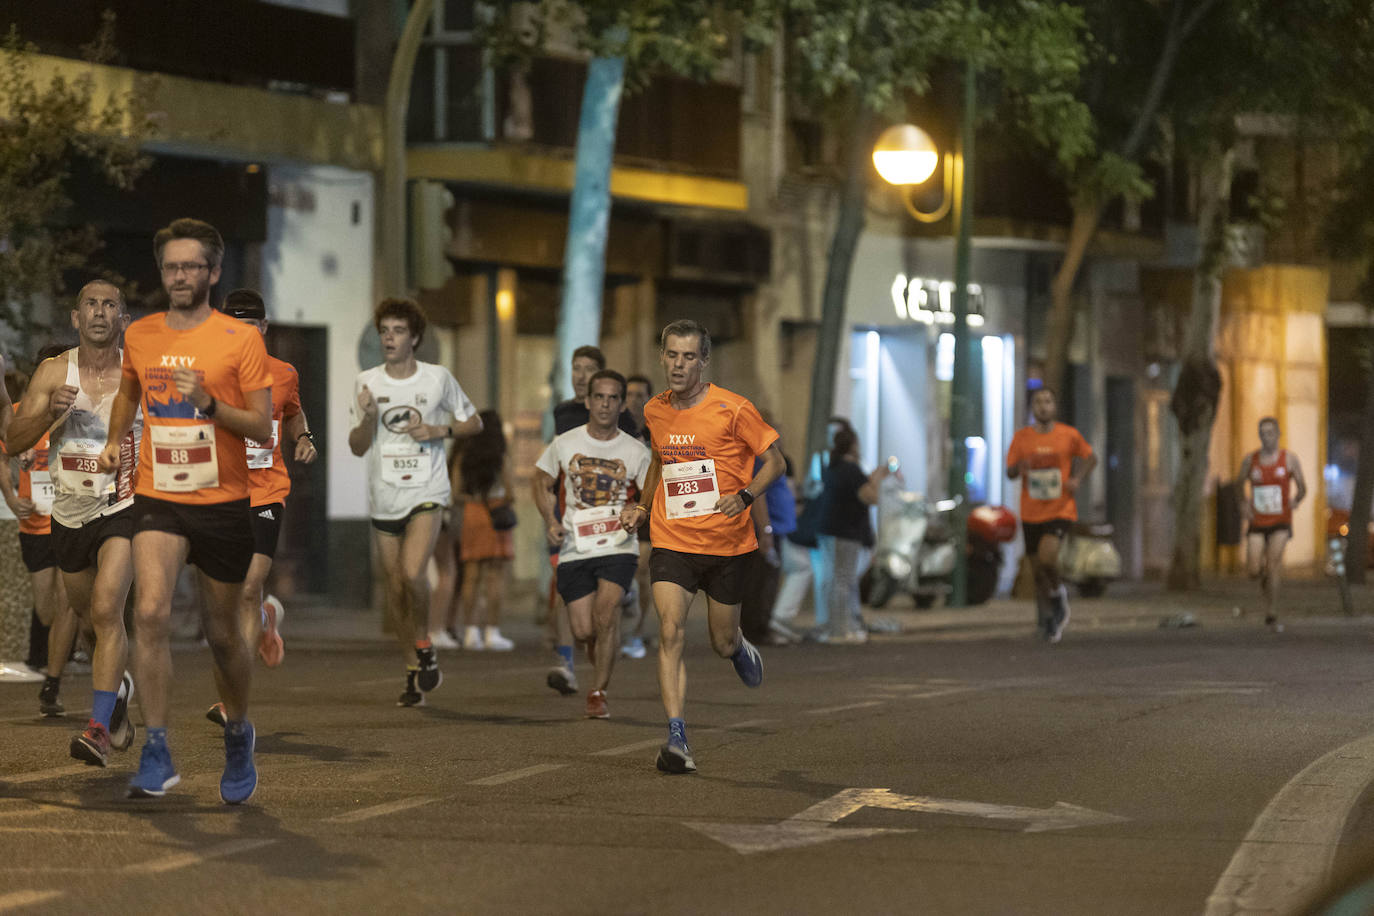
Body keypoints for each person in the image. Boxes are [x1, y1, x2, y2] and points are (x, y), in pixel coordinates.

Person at [98, 218, 275, 802]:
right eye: (171, 267)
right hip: (159, 497)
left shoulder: (239, 340)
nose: (180, 276)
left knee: (224, 636)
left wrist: (212, 405)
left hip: (224, 502)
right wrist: (113, 440)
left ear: (213, 272)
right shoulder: (142, 335)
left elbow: (261, 422)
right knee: (148, 613)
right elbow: (128, 391)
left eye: (191, 267)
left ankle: (237, 732)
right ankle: (156, 748)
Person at [620, 319, 784, 774]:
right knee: (670, 632)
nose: (678, 364)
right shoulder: (655, 410)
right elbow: (658, 459)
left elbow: (776, 461)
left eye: (689, 356)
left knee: (720, 639)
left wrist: (746, 496)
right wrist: (644, 504)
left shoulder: (734, 409)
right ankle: (676, 735)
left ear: (704, 361)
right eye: (672, 355)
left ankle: (738, 647)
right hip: (672, 539)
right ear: (662, 357)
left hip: (727, 544)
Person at [7, 284, 140, 764]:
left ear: (122, 317)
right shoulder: (52, 371)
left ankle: (98, 729)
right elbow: (12, 439)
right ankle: (118, 690)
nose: (100, 312)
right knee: (88, 622)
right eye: (91, 304)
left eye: (110, 305)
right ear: (75, 318)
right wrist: (47, 413)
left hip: (123, 506)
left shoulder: (136, 372)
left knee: (107, 611)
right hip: (68, 512)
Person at [350, 298, 481, 706]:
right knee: (395, 588)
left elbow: (474, 422)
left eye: (398, 330)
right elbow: (356, 447)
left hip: (427, 491)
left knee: (412, 573)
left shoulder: (437, 378)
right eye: (385, 330)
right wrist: (370, 419)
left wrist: (439, 430)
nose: (389, 337)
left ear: (415, 338)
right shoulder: (366, 382)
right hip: (384, 495)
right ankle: (413, 669)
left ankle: (425, 643)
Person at [204, 290, 318, 727]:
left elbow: (293, 412)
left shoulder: (283, 372)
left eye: (251, 327)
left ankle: (233, 703)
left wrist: (305, 437)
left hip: (266, 492)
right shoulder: (211, 372)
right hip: (220, 493)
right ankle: (268, 618)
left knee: (249, 589)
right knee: (227, 602)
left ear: (264, 330)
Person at [534, 370, 651, 719]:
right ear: (588, 401)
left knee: (606, 615)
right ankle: (600, 651)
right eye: (599, 397)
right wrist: (550, 521)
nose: (605, 404)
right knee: (585, 629)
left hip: (618, 546)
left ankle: (599, 691)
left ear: (620, 404)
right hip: (576, 546)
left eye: (613, 398)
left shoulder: (635, 450)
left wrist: (638, 511)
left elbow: (651, 495)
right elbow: (539, 482)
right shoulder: (565, 443)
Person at [9, 345, 81, 718]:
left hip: (71, 518)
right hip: (35, 524)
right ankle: (68, 651)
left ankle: (53, 681)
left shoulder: (82, 413)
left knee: (71, 600)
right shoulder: (23, 414)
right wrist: (10, 495)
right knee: (48, 608)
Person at [1006, 385, 1096, 643]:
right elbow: (1009, 472)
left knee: (1047, 558)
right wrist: (1018, 467)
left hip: (1060, 508)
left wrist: (1077, 478)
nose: (1043, 406)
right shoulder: (1022, 438)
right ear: (1032, 408)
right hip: (1031, 510)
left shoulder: (1068, 435)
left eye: (1047, 402)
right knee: (1037, 570)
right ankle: (1048, 619)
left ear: (1054, 407)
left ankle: (1058, 595)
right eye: (1038, 402)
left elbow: (1091, 457)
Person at [816, 427, 892, 644]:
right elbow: (871, 497)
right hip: (845, 531)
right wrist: (876, 478)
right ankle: (840, 631)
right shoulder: (851, 469)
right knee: (844, 580)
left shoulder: (833, 467)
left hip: (830, 529)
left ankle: (837, 627)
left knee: (835, 579)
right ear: (853, 445)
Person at [1235, 417, 1307, 630]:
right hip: (1257, 520)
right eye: (1262, 433)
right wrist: (1243, 505)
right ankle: (1265, 580)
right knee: (1253, 570)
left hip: (1281, 520)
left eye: (1270, 433)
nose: (1266, 437)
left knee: (1274, 563)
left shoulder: (1289, 460)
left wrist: (1296, 500)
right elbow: (1239, 485)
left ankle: (1271, 611)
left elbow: (1303, 487)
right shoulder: (1251, 460)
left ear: (1278, 434)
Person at [453, 409, 516, 652]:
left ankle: (470, 632)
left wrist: (472, 498)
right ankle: (492, 631)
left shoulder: (464, 456)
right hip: (496, 513)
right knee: (494, 576)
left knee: (471, 576)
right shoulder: (500, 456)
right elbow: (509, 492)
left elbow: (455, 492)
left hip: (472, 513)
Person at [620, 373, 655, 660]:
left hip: (650, 509)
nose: (634, 399)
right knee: (626, 573)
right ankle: (622, 629)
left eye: (639, 394)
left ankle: (638, 631)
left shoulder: (657, 432)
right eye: (629, 394)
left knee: (642, 571)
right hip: (622, 507)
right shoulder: (618, 431)